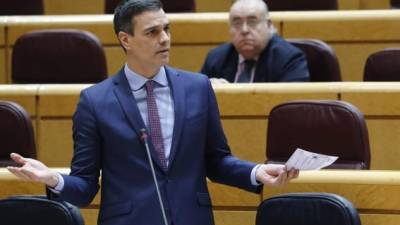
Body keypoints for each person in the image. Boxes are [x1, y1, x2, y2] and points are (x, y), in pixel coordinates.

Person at [7, 1, 299, 225]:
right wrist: (52, 179)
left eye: (166, 28)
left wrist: (256, 171)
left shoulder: (197, 87)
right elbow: (84, 187)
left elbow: (217, 160)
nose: (165, 39)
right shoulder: (95, 101)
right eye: (152, 32)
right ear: (125, 40)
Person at [201, 0, 309, 83]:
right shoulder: (216, 58)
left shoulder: (288, 59)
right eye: (237, 23)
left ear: (269, 25)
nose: (244, 30)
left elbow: (291, 106)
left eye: (252, 22)